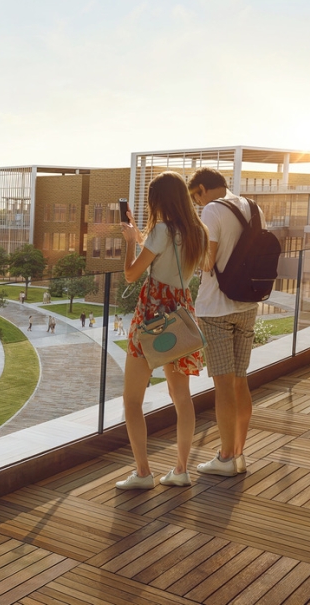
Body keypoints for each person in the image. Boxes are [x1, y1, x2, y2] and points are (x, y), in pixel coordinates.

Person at [116, 171, 208, 490]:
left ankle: (143, 473)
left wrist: (130, 243)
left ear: (160, 200)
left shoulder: (161, 230)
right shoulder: (198, 232)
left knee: (132, 400)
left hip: (151, 318)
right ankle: (181, 469)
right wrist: (140, 236)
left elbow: (131, 274)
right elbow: (167, 253)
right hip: (180, 317)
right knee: (181, 398)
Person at [189, 168, 259, 477]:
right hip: (247, 304)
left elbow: (207, 261)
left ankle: (226, 457)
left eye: (195, 197)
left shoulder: (212, 210)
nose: (195, 203)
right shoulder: (251, 207)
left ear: (202, 189)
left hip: (216, 307)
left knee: (222, 385)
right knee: (240, 380)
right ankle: (239, 453)